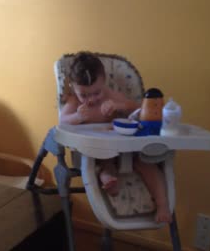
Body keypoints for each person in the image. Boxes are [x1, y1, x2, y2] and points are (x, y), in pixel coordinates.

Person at [60, 52, 172, 223]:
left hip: (124, 148)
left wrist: (119, 106)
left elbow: (137, 110)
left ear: (104, 81)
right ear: (74, 88)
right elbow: (62, 121)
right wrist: (77, 117)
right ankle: (109, 180)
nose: (91, 99)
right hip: (97, 151)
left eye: (96, 93)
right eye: (84, 94)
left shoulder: (111, 96)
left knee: (147, 164)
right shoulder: (75, 102)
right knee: (104, 164)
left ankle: (163, 205)